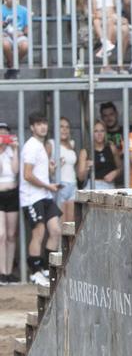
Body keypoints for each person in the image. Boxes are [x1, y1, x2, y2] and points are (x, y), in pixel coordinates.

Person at [19, 112, 62, 287]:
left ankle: (46, 268)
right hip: (32, 197)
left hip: (44, 196)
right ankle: (35, 272)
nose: (43, 126)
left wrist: (51, 170)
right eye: (38, 124)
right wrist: (49, 186)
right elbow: (27, 175)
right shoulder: (31, 146)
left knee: (56, 231)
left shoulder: (40, 145)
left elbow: (37, 173)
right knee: (39, 233)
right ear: (32, 127)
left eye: (44, 122)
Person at [47, 117, 77, 223]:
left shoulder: (72, 143)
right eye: (61, 127)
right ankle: (61, 241)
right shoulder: (51, 143)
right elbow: (44, 169)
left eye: (67, 127)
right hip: (60, 184)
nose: (64, 129)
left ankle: (71, 241)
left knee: (72, 224)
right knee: (62, 224)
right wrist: (54, 167)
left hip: (73, 184)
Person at [0, 123, 19, 285]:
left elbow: (15, 171)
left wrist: (14, 149)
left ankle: (9, 271)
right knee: (2, 235)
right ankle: (2, 272)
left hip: (12, 193)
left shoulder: (11, 151)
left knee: (12, 234)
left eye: (5, 134)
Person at [76, 120, 120, 190]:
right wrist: (86, 168)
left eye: (102, 131)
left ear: (105, 132)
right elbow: (80, 178)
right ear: (91, 133)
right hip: (92, 185)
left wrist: (115, 172)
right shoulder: (85, 151)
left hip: (109, 186)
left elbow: (121, 168)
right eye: (96, 131)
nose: (99, 134)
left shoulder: (112, 148)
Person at [2, 0, 29, 80]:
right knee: (4, 44)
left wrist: (23, 33)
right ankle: (14, 66)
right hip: (5, 35)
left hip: (19, 35)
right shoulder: (1, 9)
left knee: (25, 46)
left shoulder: (24, 10)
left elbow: (27, 28)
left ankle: (11, 64)